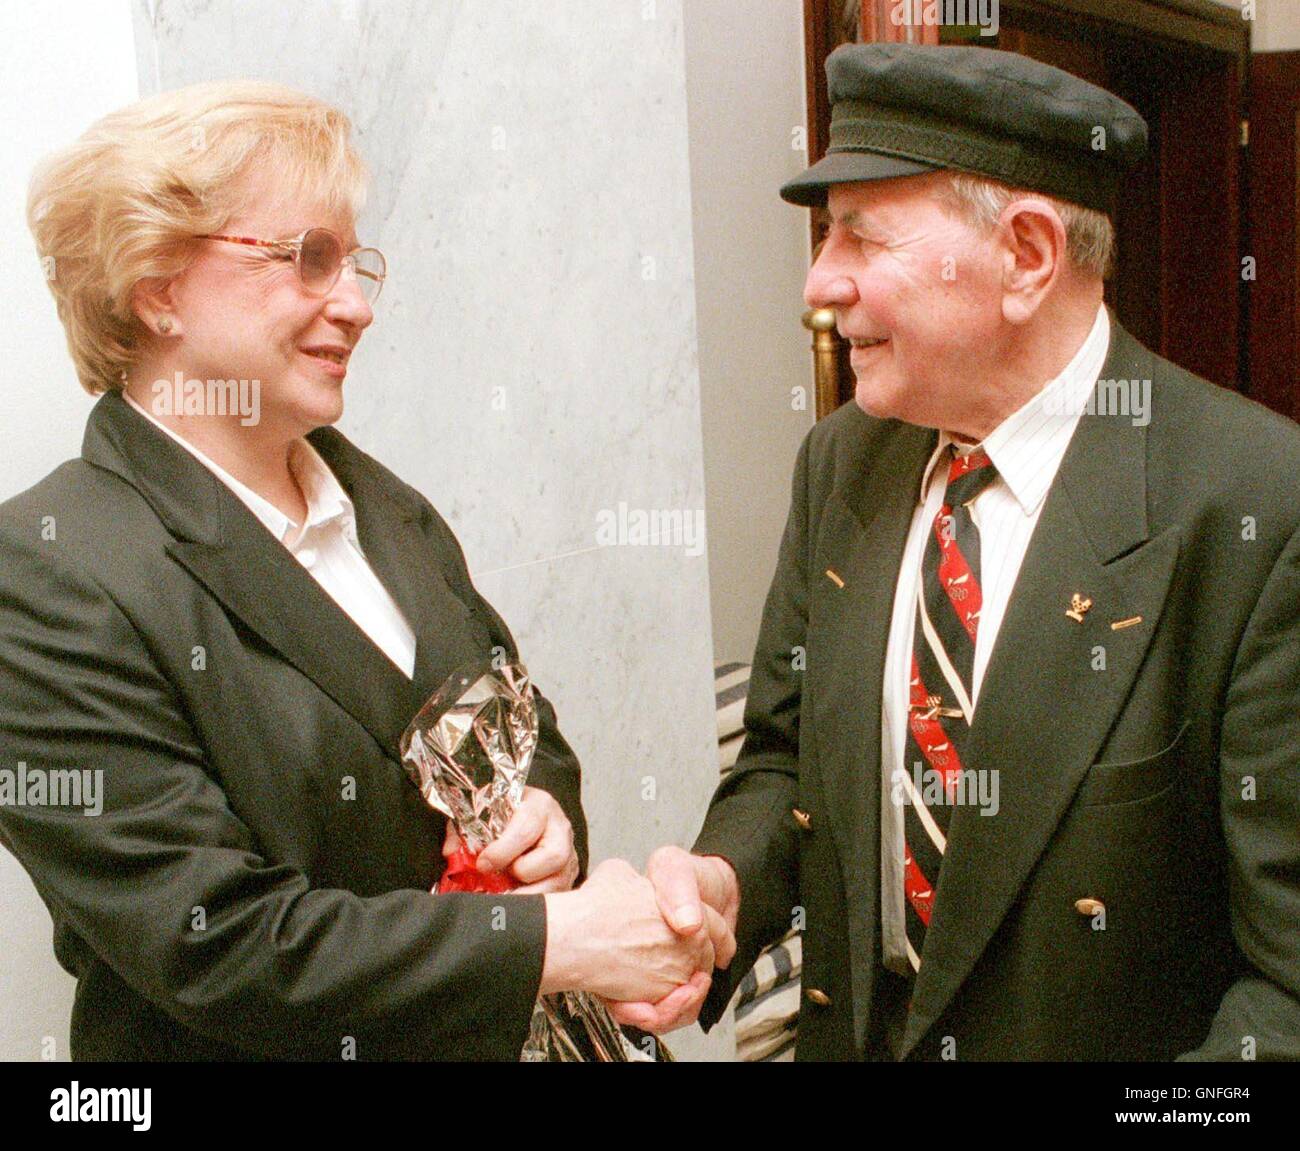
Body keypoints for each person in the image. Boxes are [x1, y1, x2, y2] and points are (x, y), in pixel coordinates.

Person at [0, 79, 716, 1061]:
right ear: (157, 288)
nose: (359, 305)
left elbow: (516, 719)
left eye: (354, 261)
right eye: (308, 260)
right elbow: (215, 941)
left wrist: (541, 813)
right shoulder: (47, 570)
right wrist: (557, 940)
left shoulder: (378, 503)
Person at [615, 43, 1300, 1060]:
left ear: (1025, 255)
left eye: (859, 237)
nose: (819, 283)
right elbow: (784, 758)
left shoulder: (1254, 504)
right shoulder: (843, 462)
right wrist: (725, 882)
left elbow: (1284, 985)